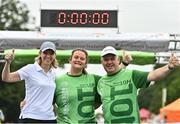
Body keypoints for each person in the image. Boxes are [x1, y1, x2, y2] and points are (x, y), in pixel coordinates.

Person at [97, 46, 179, 123]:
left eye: (112, 59)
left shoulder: (132, 75)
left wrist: (168, 67)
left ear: (118, 60)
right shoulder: (101, 82)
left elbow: (153, 75)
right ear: (102, 62)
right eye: (106, 59)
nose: (109, 62)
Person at [55, 48, 132, 123]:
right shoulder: (58, 80)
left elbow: (112, 79)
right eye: (76, 57)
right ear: (70, 60)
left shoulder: (94, 79)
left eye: (82, 58)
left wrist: (124, 63)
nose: (78, 60)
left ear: (85, 63)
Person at [1, 41, 58, 123]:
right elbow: (6, 78)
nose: (48, 56)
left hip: (49, 119)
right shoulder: (30, 69)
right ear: (40, 54)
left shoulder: (53, 74)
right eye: (45, 52)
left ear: (54, 55)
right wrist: (8, 63)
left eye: (51, 53)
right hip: (30, 117)